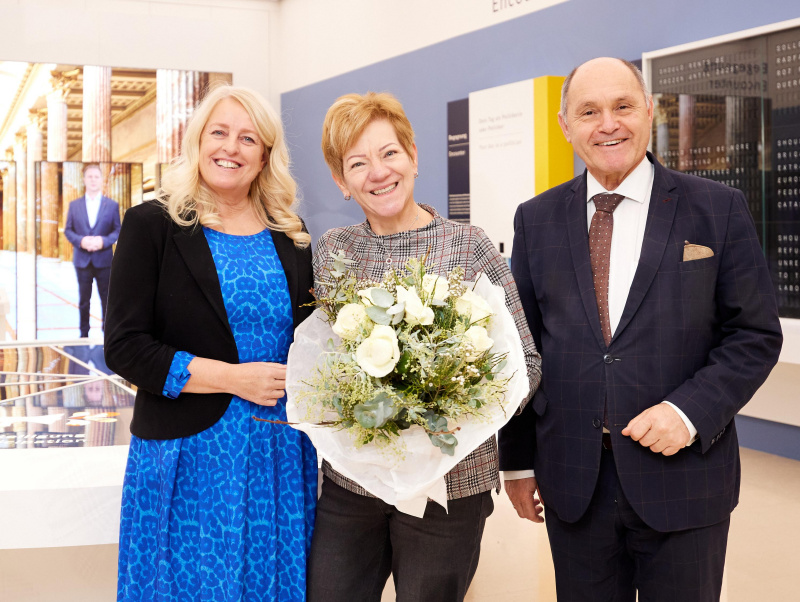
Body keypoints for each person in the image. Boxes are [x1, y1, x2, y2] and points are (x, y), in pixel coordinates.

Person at [499, 57, 783, 601]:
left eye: (623, 106)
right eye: (589, 111)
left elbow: (754, 334)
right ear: (566, 126)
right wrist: (517, 462)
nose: (608, 124)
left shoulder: (717, 210)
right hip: (573, 481)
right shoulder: (535, 220)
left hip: (684, 478)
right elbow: (520, 350)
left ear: (649, 112)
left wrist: (688, 413)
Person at [308, 91, 542, 602]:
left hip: (451, 485)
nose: (378, 172)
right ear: (340, 181)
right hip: (356, 481)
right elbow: (322, 361)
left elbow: (526, 360)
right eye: (357, 162)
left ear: (413, 155)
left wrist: (462, 404)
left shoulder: (469, 245)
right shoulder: (334, 251)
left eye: (389, 153)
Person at [104, 85, 318, 601]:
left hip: (278, 451)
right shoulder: (152, 224)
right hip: (189, 450)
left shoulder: (290, 234)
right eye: (219, 132)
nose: (232, 147)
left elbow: (310, 342)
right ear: (197, 140)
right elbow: (126, 346)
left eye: (248, 138)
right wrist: (231, 378)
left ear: (265, 154)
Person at [64, 163, 121, 337]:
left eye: (96, 176)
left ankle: (107, 333)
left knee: (107, 298)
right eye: (90, 176)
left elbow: (117, 230)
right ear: (84, 180)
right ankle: (83, 333)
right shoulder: (75, 205)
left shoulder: (111, 205)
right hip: (82, 260)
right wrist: (81, 241)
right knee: (83, 300)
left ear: (102, 180)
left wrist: (102, 241)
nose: (93, 180)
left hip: (104, 260)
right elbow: (68, 230)